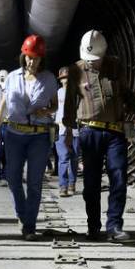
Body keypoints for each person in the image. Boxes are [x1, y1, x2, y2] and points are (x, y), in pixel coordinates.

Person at [62, 30, 135, 241]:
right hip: (89, 131)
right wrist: (69, 131)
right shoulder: (75, 70)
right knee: (91, 182)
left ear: (104, 53)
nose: (93, 63)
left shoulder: (115, 66)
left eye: (97, 59)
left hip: (115, 131)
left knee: (118, 176)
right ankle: (93, 226)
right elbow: (70, 104)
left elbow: (126, 92)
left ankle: (114, 226)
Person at [0, 35, 59, 240]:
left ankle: (29, 226)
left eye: (36, 58)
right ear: (24, 56)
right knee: (12, 177)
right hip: (14, 134)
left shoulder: (48, 78)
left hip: (39, 136)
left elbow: (55, 105)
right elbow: (3, 103)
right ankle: (22, 213)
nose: (32, 62)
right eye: (29, 57)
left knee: (34, 181)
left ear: (41, 59)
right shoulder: (12, 77)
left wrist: (46, 112)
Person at [55, 66, 79, 197]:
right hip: (61, 129)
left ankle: (72, 184)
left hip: (75, 130)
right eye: (63, 78)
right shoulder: (57, 93)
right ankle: (63, 186)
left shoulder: (77, 93)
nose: (65, 80)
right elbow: (54, 111)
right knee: (63, 158)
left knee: (74, 158)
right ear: (60, 80)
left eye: (67, 77)